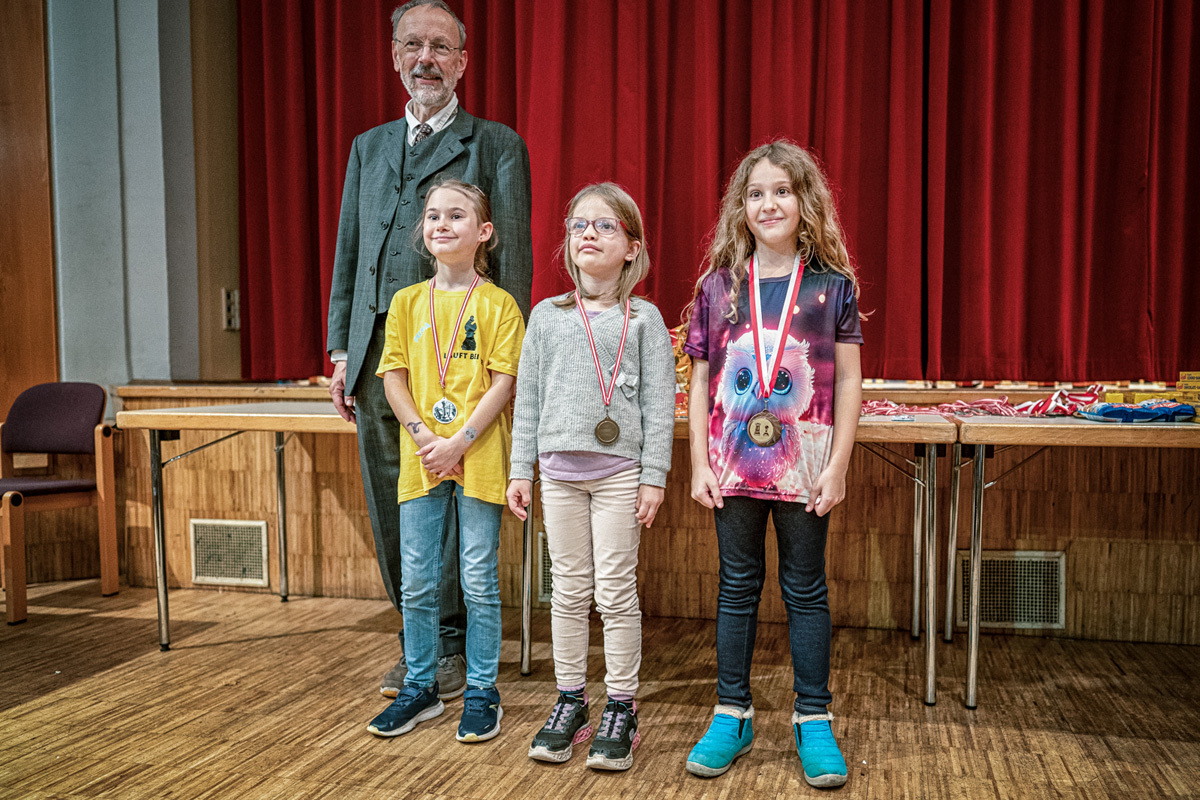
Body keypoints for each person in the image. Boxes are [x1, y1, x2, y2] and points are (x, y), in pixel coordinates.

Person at [325, 0, 532, 701]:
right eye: (412, 45)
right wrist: (340, 350)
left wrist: (508, 366)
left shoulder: (495, 145)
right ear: (394, 57)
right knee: (394, 502)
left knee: (455, 501)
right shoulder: (368, 146)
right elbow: (350, 252)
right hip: (378, 360)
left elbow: (514, 265)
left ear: (463, 62)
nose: (426, 60)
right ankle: (417, 636)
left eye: (441, 48)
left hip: (461, 364)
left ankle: (451, 646)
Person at [680, 140, 864, 787]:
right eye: (756, 193)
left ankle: (813, 719)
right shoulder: (719, 287)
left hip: (804, 466)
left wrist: (838, 465)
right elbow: (699, 381)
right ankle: (731, 713)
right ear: (741, 207)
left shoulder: (831, 287)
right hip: (731, 465)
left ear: (805, 201)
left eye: (782, 191)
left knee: (805, 589)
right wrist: (698, 462)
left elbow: (848, 381)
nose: (769, 204)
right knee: (736, 587)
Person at [507, 183, 676, 771]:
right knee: (568, 590)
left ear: (632, 248)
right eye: (579, 224)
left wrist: (654, 475)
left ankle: (622, 705)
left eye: (605, 226)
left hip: (619, 475)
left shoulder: (644, 320)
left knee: (615, 591)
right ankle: (571, 699)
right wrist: (520, 469)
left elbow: (660, 407)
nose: (588, 234)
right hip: (558, 475)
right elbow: (527, 400)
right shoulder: (546, 316)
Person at [367, 180, 524, 741]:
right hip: (422, 456)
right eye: (433, 215)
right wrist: (423, 435)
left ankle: (481, 691)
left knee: (478, 579)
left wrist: (459, 440)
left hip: (478, 453)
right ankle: (420, 687)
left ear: (484, 232)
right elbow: (393, 376)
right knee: (417, 581)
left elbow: (504, 381)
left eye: (456, 215)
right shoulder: (407, 302)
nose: (441, 224)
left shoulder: (499, 305)